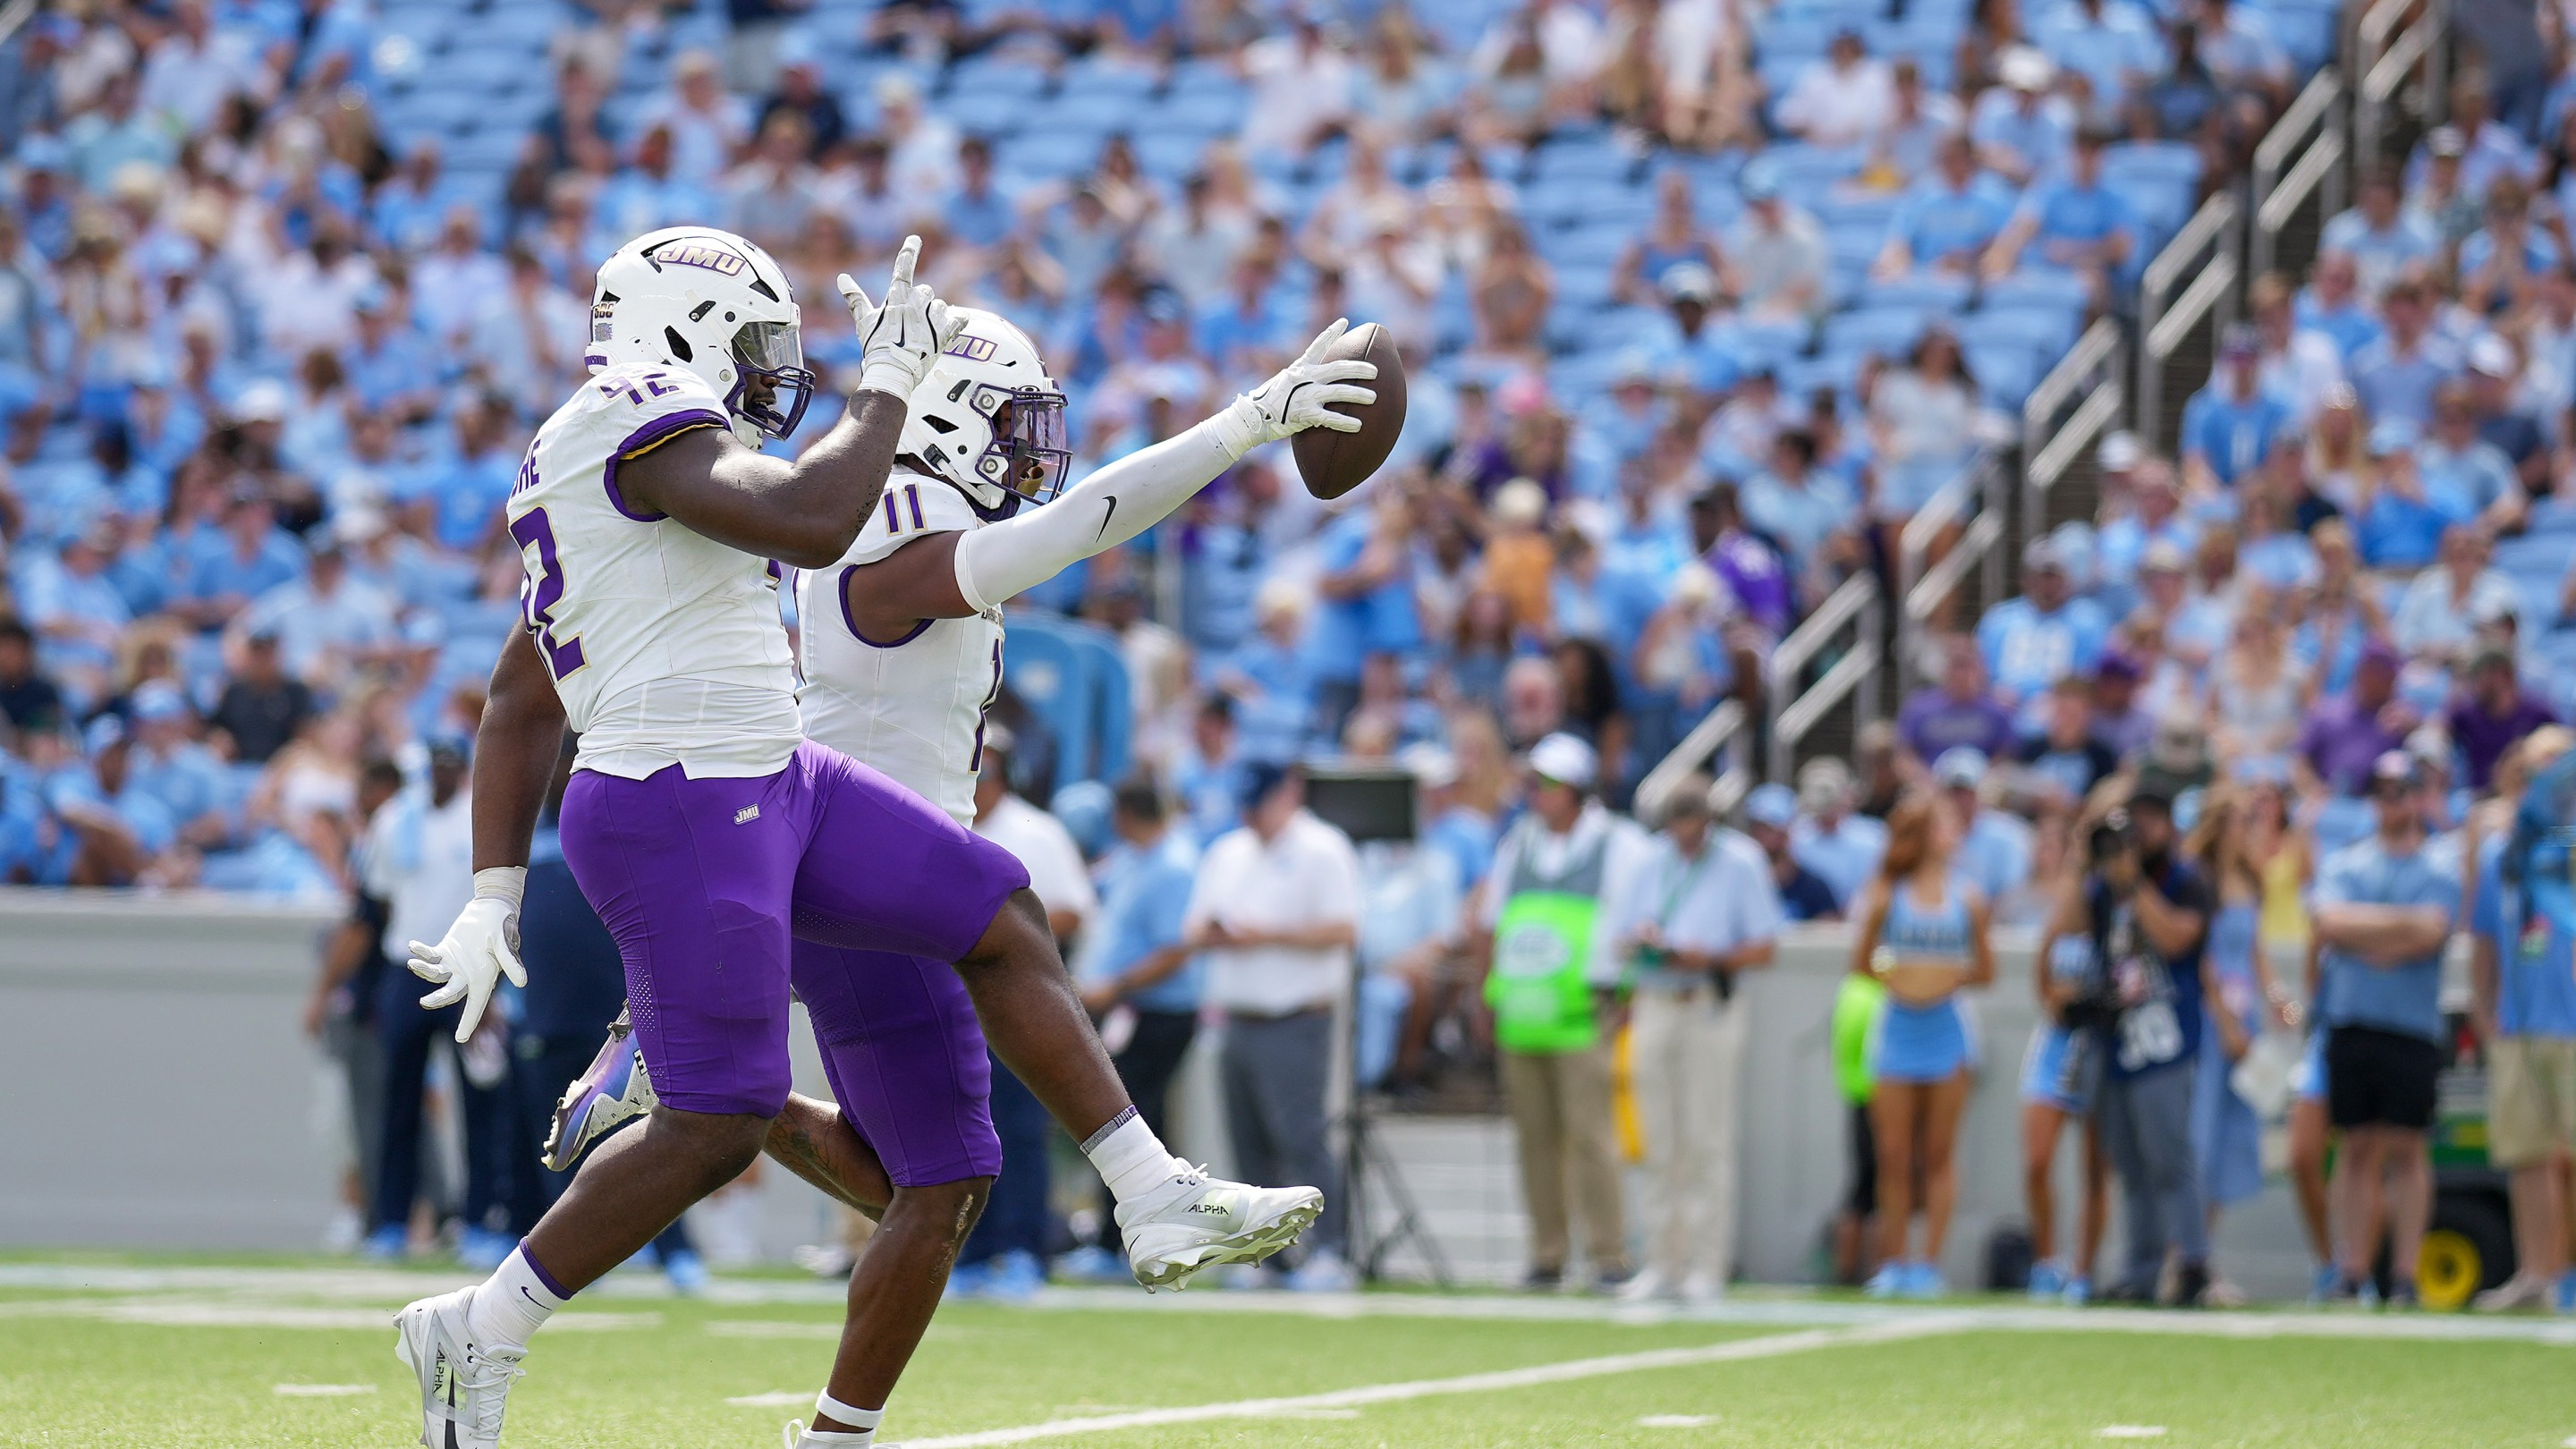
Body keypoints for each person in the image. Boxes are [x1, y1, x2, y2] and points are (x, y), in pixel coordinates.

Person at [392, 232, 1324, 1449]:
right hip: (680, 789)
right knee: (718, 1123)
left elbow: (522, 693)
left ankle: (1153, 1194)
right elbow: (819, 520)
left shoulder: (648, 469)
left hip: (768, 770)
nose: (779, 374)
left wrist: (493, 893)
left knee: (999, 913)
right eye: (762, 341)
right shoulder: (633, 412)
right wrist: (888, 380)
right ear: (684, 323)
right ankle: (484, 1323)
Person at [512, 737, 704, 1292]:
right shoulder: (527, 852)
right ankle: (567, 1262)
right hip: (547, 1025)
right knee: (559, 1148)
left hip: (622, 1027)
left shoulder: (631, 845)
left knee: (652, 1142)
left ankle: (677, 1255)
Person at [1473, 733, 1649, 1291]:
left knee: (1592, 1136)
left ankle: (1608, 1253)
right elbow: (1492, 923)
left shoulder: (1620, 844)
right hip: (1524, 1012)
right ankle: (1547, 1253)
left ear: (1576, 790)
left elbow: (1636, 927)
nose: (1534, 793)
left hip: (1583, 1010)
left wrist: (1627, 998)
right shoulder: (1518, 841)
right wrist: (1487, 994)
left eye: (1545, 784)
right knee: (1535, 1138)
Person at [1183, 763, 1365, 1291]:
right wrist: (1221, 933)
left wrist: (1265, 934)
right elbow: (1194, 926)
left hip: (1297, 1015)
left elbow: (1343, 927)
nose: (1251, 816)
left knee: (1301, 1137)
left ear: (1289, 794)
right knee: (1247, 1142)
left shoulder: (1323, 848)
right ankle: (1263, 1254)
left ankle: (1330, 1249)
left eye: (1259, 804)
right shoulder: (1228, 852)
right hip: (1237, 1016)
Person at [1609, 777, 1782, 1303]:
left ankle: (1707, 1264)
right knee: (1658, 1139)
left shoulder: (1741, 862)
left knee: (1707, 1138)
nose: (1684, 833)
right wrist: (1646, 944)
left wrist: (1706, 956)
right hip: (1656, 1002)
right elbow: (1617, 939)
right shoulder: (1648, 862)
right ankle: (1661, 1261)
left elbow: (1764, 947)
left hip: (1708, 1002)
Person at [953, 730, 1098, 1301]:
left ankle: (1024, 1250)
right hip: (953, 1003)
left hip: (1016, 1002)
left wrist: (995, 936)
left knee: (1018, 1130)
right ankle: (975, 1251)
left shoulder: (1036, 830)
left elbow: (1072, 910)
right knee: (963, 1131)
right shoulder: (944, 820)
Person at [2312, 751, 2459, 1309]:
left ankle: (2404, 1274)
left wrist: (2365, 931)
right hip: (2353, 1019)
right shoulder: (2349, 860)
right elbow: (2329, 922)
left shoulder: (2439, 865)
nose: (2389, 800)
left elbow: (2433, 932)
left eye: (2401, 790)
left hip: (2410, 1026)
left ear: (2420, 796)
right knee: (2355, 1146)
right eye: (2382, 790)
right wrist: (2397, 929)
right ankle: (2351, 1270)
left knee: (2406, 1147)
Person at [364, 733, 515, 1265]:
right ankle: (390, 1223)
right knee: (398, 1103)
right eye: (437, 765)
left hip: (467, 971)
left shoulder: (480, 817)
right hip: (407, 970)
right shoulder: (394, 820)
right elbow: (379, 898)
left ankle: (478, 1220)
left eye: (452, 765)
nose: (443, 773)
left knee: (479, 1102)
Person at [2071, 784, 2216, 1306]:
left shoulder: (2186, 880)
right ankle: (2141, 1272)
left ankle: (2195, 1265)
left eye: (2152, 820)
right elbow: (2071, 926)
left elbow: (2178, 937)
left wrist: (2134, 888)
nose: (2142, 832)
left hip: (2165, 1040)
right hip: (2115, 1041)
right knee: (2130, 1166)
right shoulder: (2102, 887)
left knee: (2169, 1159)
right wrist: (2084, 858)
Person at [1852, 792, 1995, 1298]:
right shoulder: (1887, 893)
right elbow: (1862, 962)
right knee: (1893, 1154)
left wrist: (1937, 980)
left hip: (1947, 1032)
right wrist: (1904, 979)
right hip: (1896, 1029)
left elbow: (1985, 968)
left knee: (1938, 1153)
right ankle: (1894, 1261)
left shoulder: (1968, 897)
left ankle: (1928, 1263)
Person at [1064, 776, 1204, 1280]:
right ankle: (1129, 1239)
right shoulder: (1136, 860)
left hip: (1156, 1014)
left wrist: (1115, 985)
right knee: (1132, 1123)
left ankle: (1122, 1243)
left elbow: (1176, 949)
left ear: (1124, 816)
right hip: (1132, 1012)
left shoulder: (1173, 866)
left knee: (1122, 1127)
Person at [2470, 727, 2576, 1311]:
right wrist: (2487, 1015)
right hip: (2518, 1026)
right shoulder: (2500, 855)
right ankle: (2538, 1276)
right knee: (2528, 1155)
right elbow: (2484, 939)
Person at [2023, 911, 2109, 1303]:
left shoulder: (2114, 912)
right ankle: (2046, 1262)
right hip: (2055, 1046)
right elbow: (2043, 982)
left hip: (2099, 1046)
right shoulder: (2060, 915)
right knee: (2037, 1162)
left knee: (2094, 1170)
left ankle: (2083, 1270)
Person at [1743, 783, 1840, 920]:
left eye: (1777, 829)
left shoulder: (1815, 888)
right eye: (1762, 828)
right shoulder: (1738, 885)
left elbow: (1831, 930)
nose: (1770, 838)